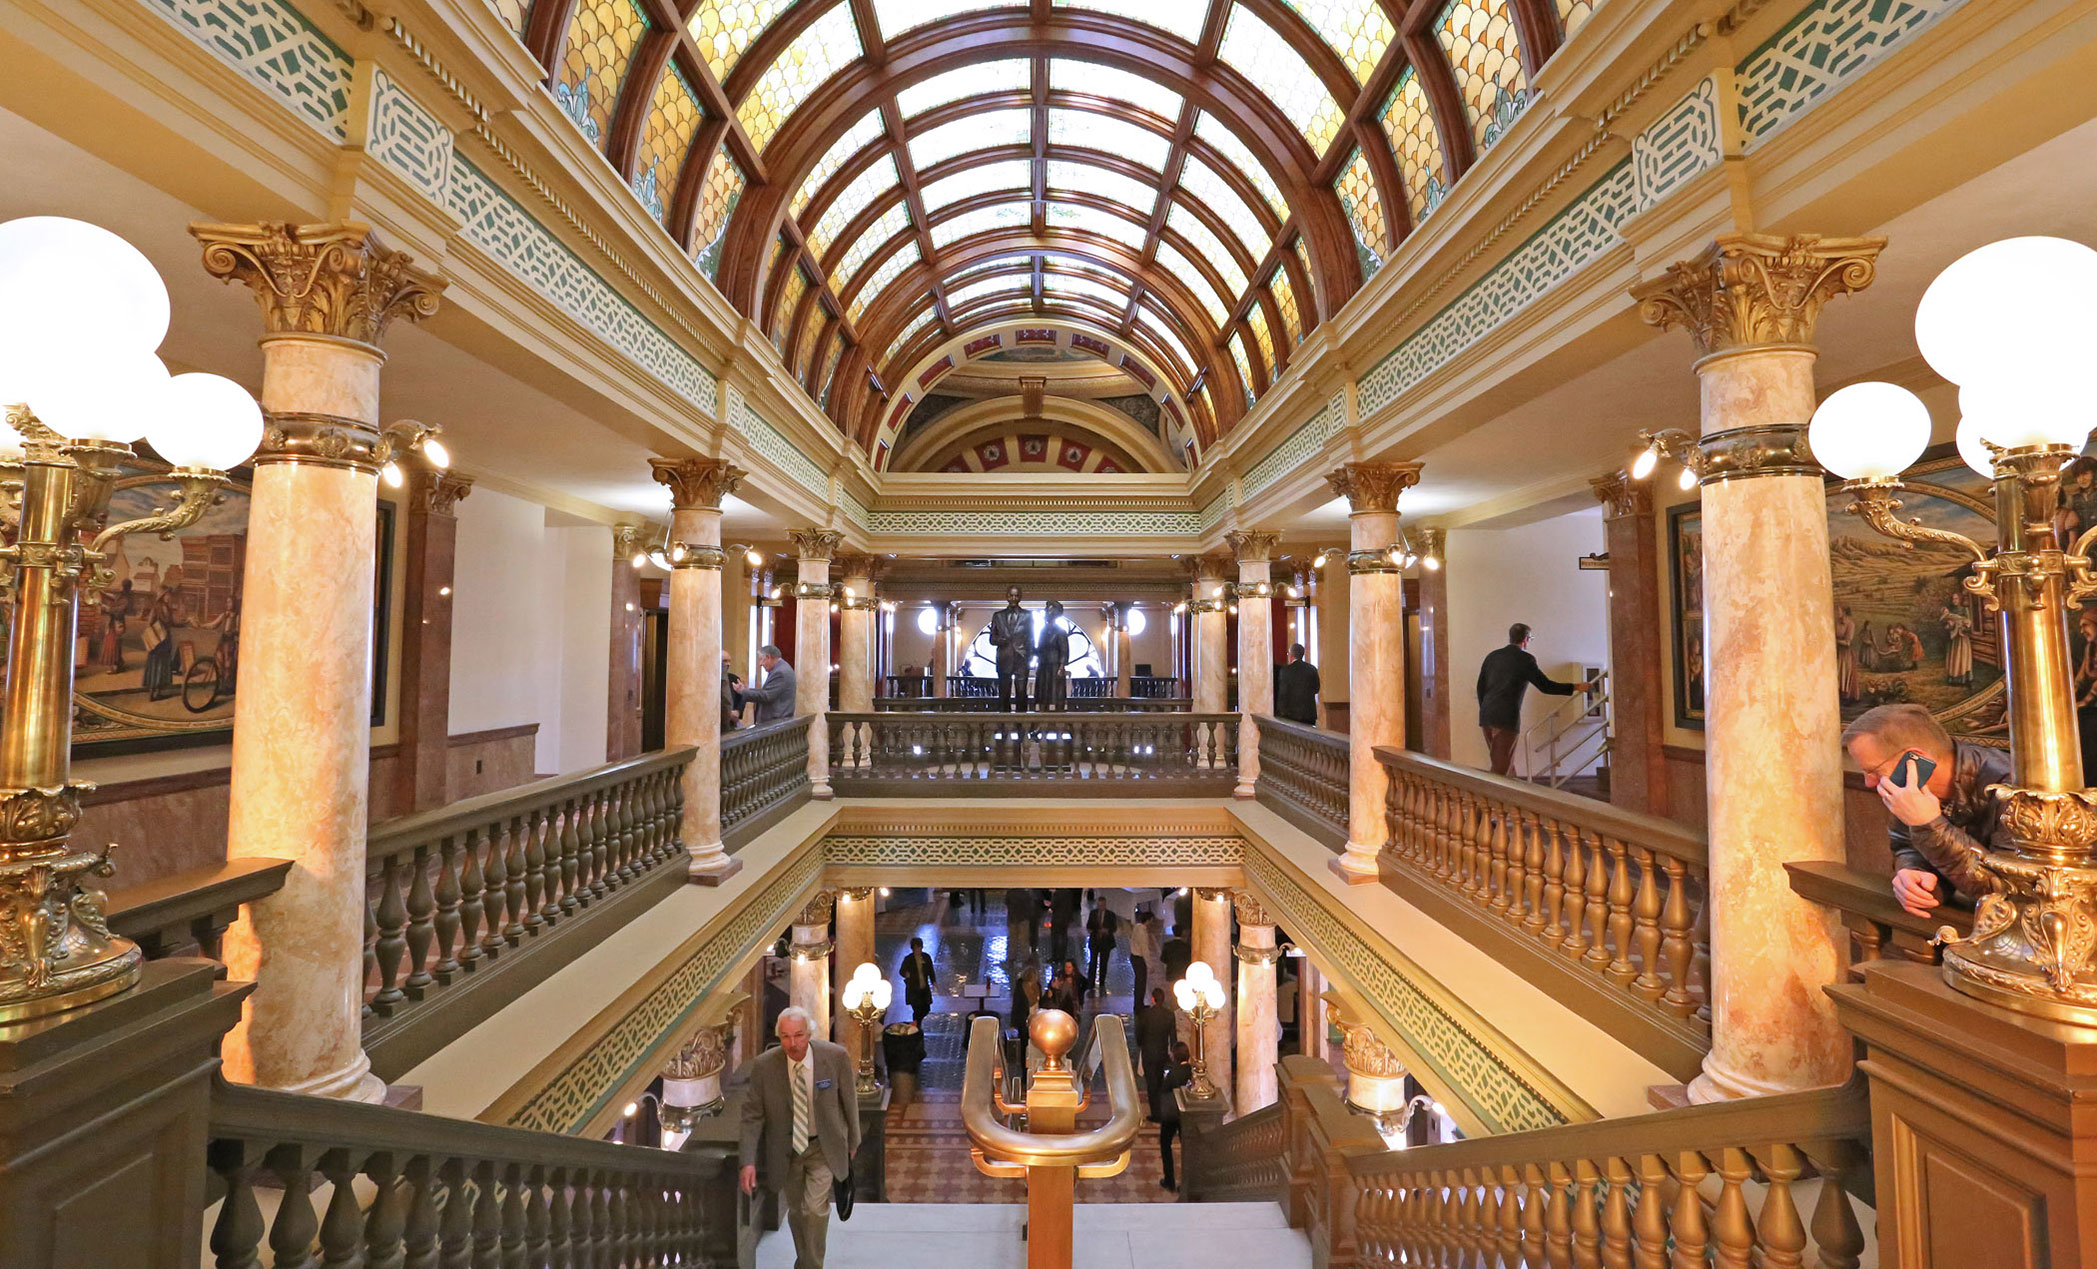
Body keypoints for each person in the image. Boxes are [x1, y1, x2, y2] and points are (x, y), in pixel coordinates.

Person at [1841, 702, 2009, 919]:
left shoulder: (2010, 789)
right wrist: (1915, 875)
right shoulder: (1912, 788)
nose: (1869, 783)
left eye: (1873, 771)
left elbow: (2004, 891)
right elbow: (1907, 846)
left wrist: (1929, 824)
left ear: (1914, 759)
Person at [739, 1006, 860, 1269]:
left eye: (799, 1035)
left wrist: (854, 1141)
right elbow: (752, 1116)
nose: (792, 1044)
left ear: (810, 1034)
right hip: (787, 1150)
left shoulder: (835, 1057)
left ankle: (811, 1266)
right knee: (796, 1212)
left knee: (814, 1209)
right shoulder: (764, 1066)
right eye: (785, 1037)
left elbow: (849, 1102)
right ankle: (804, 1262)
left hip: (824, 1147)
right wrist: (747, 1161)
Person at [1475, 623, 1594, 776]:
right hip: (1505, 718)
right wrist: (1576, 687)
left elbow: (1480, 687)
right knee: (1501, 770)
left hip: (1486, 716)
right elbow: (1545, 686)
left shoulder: (1492, 656)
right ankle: (1491, 798)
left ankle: (1514, 798)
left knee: (1504, 764)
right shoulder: (1526, 659)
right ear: (1525, 639)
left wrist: (1485, 709)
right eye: (1530, 638)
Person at [1134, 987, 1176, 1121]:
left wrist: (1141, 1044)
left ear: (1152, 999)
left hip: (1148, 1052)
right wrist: (1173, 1053)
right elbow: (1173, 1037)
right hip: (1162, 1052)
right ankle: (1163, 1109)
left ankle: (1156, 1113)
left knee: (1151, 1083)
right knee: (1159, 1082)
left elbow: (1139, 1034)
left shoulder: (1145, 1014)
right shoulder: (1169, 1015)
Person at [1157, 1041, 1193, 1193]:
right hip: (1187, 1115)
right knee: (1188, 1146)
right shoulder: (1191, 1070)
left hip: (1172, 1114)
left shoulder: (1174, 1073)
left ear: (1174, 1056)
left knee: (1165, 1145)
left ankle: (1169, 1180)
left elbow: (1163, 1090)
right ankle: (1188, 1182)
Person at [741, 645, 798, 723]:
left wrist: (743, 692)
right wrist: (747, 690)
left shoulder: (780, 672)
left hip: (775, 723)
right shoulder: (782, 668)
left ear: (768, 657)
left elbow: (767, 696)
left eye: (761, 659)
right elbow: (768, 691)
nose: (760, 664)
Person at [1274, 642, 1321, 725]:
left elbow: (1283, 693)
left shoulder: (1285, 671)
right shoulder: (1312, 669)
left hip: (1290, 715)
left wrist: (1280, 712)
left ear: (1291, 655)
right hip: (1309, 714)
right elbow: (1316, 688)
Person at [1127, 907, 1161, 1010]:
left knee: (1139, 982)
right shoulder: (1143, 932)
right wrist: (1150, 965)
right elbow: (1145, 950)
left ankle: (1138, 1003)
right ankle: (1139, 1005)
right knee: (1141, 983)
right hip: (1139, 959)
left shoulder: (1136, 927)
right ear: (1149, 920)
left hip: (1133, 956)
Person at [898, 936, 935, 1026]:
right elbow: (901, 971)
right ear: (913, 948)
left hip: (924, 989)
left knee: (926, 1008)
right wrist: (906, 973)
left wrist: (934, 981)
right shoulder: (908, 959)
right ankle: (917, 1025)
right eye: (916, 948)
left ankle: (916, 1023)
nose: (918, 950)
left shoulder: (926, 957)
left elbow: (931, 970)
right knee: (917, 1009)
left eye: (920, 947)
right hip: (914, 990)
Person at [1085, 901, 1119, 995]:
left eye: (1102, 905)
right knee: (1093, 963)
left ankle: (1102, 983)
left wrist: (1107, 931)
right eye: (1099, 905)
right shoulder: (1093, 913)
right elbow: (1089, 926)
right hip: (1095, 942)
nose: (1101, 907)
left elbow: (1114, 928)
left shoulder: (1111, 915)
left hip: (1106, 943)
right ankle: (1090, 983)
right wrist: (1095, 930)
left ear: (1105, 905)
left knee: (1104, 963)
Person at [1004, 886, 1038, 962]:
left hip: (1012, 919)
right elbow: (1030, 907)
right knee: (1024, 940)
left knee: (1012, 940)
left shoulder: (1010, 892)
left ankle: (1012, 957)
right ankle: (1025, 958)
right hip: (1023, 919)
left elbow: (1006, 906)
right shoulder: (1026, 894)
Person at [1834, 604, 1860, 704]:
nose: (1837, 613)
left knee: (1844, 672)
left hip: (1845, 653)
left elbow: (1848, 642)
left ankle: (1844, 695)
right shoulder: (1836, 623)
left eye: (1838, 610)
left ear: (1844, 612)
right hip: (1837, 652)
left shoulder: (1850, 624)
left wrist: (1834, 640)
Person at [1049, 887, 1080, 964]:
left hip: (1057, 919)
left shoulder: (1057, 894)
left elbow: (1053, 906)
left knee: (1055, 938)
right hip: (1065, 919)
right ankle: (1062, 956)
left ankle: (1055, 956)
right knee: (1063, 936)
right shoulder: (1069, 893)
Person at [722, 649, 743, 731]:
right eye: (725, 661)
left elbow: (741, 698)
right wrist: (727, 713)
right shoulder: (710, 681)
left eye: (729, 661)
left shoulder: (734, 678)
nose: (728, 664)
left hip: (731, 723)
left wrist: (738, 711)